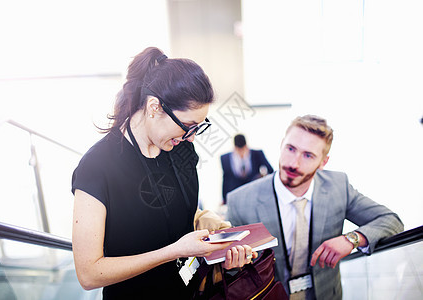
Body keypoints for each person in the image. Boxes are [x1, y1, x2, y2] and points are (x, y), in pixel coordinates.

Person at [71, 47, 256, 299]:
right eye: (187, 126)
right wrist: (174, 251)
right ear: (154, 107)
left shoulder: (181, 151)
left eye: (198, 128)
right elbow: (89, 274)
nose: (189, 137)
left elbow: (175, 213)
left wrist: (216, 235)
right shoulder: (98, 166)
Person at [227, 115, 404, 299]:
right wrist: (232, 265)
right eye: (290, 148)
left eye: (308, 155)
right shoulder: (240, 201)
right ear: (281, 144)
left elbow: (391, 221)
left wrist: (351, 239)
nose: (293, 163)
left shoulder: (338, 186)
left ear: (323, 162)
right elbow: (228, 273)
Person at [220, 134, 273, 204]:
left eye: (243, 149)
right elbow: (225, 179)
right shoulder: (225, 158)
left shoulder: (257, 154)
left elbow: (270, 170)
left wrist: (262, 176)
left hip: (254, 194)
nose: (241, 153)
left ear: (246, 146)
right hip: (235, 195)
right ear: (235, 148)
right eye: (239, 150)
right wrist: (224, 198)